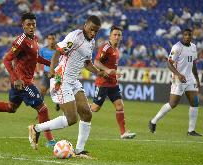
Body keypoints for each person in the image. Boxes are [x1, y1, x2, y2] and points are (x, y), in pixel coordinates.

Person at [0, 12, 57, 147]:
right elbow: (6, 59)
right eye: (28, 25)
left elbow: (35, 57)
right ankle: (50, 141)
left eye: (33, 24)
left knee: (11, 107)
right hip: (22, 82)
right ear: (23, 26)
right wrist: (16, 79)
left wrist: (51, 64)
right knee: (42, 109)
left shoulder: (35, 39)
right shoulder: (21, 41)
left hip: (21, 82)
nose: (31, 27)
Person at [28, 15, 115, 157]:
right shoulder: (75, 36)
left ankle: (79, 150)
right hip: (60, 78)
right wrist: (51, 69)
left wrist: (99, 73)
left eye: (96, 31)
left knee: (87, 114)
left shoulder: (91, 42)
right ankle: (36, 128)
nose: (93, 33)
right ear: (85, 25)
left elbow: (87, 63)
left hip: (73, 80)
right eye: (91, 29)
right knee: (72, 118)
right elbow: (57, 51)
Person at [148, 28, 203, 136]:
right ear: (183, 35)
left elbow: (193, 64)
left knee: (195, 102)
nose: (187, 36)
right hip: (178, 78)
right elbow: (169, 63)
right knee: (173, 104)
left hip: (190, 78)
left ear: (192, 36)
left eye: (189, 35)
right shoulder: (177, 47)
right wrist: (178, 75)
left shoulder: (193, 47)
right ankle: (153, 121)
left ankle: (191, 130)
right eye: (185, 35)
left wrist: (197, 78)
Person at [91, 26, 136, 139]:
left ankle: (123, 133)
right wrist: (106, 70)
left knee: (120, 105)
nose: (117, 37)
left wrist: (115, 73)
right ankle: (77, 108)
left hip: (113, 83)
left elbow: (111, 66)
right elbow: (96, 62)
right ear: (110, 36)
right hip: (103, 83)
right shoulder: (105, 48)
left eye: (119, 35)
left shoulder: (116, 50)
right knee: (95, 108)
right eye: (115, 34)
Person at [39, 33, 60, 111]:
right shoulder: (43, 50)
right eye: (50, 39)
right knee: (43, 90)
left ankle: (58, 103)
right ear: (47, 40)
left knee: (57, 90)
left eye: (53, 39)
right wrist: (38, 71)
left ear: (55, 40)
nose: (51, 41)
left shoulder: (58, 51)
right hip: (46, 73)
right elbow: (39, 60)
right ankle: (40, 108)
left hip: (57, 73)